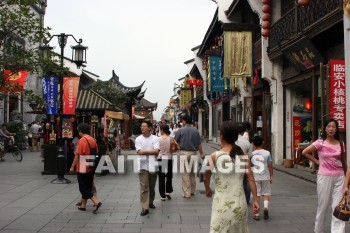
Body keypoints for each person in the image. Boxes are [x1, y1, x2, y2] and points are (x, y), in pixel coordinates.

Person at [204, 121, 259, 233]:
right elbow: (251, 179)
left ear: (221, 136)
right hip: (239, 203)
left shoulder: (214, 156)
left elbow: (206, 177)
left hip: (221, 204)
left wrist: (207, 188)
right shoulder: (243, 156)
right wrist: (256, 200)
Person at [302, 118, 347, 233]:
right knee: (323, 205)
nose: (331, 129)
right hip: (324, 176)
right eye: (329, 127)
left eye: (333, 127)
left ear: (336, 129)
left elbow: (344, 161)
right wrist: (317, 162)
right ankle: (319, 230)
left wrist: (347, 180)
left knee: (338, 206)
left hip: (340, 177)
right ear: (325, 128)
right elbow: (304, 152)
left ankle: (337, 231)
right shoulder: (320, 143)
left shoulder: (341, 144)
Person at [69, 123, 102, 214]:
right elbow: (97, 151)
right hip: (91, 163)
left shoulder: (82, 140)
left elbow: (78, 155)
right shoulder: (92, 139)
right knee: (87, 184)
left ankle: (96, 201)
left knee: (83, 187)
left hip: (83, 164)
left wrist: (72, 166)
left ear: (80, 131)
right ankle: (83, 205)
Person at [175, 114, 205, 198]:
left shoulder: (180, 130)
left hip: (184, 153)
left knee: (185, 173)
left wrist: (178, 147)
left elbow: (174, 141)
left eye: (182, 120)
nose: (182, 122)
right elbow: (199, 144)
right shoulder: (195, 130)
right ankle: (192, 191)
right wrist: (202, 153)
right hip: (193, 153)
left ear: (184, 121)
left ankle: (186, 193)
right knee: (192, 173)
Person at [135, 120, 160, 216]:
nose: (142, 128)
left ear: (150, 128)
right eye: (141, 126)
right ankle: (145, 208)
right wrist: (152, 151)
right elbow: (139, 152)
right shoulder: (138, 139)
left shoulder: (155, 138)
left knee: (152, 187)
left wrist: (145, 151)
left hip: (153, 165)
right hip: (142, 166)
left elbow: (157, 151)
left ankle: (150, 202)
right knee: (144, 187)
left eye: (144, 126)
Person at [251, 135, 273, 221]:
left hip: (255, 177)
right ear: (262, 142)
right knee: (266, 193)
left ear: (253, 144)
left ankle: (256, 214)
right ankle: (266, 207)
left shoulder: (251, 154)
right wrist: (271, 175)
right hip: (265, 176)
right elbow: (270, 165)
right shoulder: (267, 153)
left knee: (256, 195)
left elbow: (250, 166)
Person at [235, 122, 253, 204]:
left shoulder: (232, 140)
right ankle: (246, 199)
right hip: (244, 162)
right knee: (246, 181)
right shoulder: (247, 142)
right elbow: (250, 155)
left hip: (233, 163)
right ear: (244, 131)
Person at [157, 124, 173, 201]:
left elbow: (156, 149)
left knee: (161, 176)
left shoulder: (158, 139)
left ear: (162, 130)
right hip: (169, 158)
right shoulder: (171, 139)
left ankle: (162, 195)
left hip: (161, 158)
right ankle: (168, 191)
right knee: (169, 176)